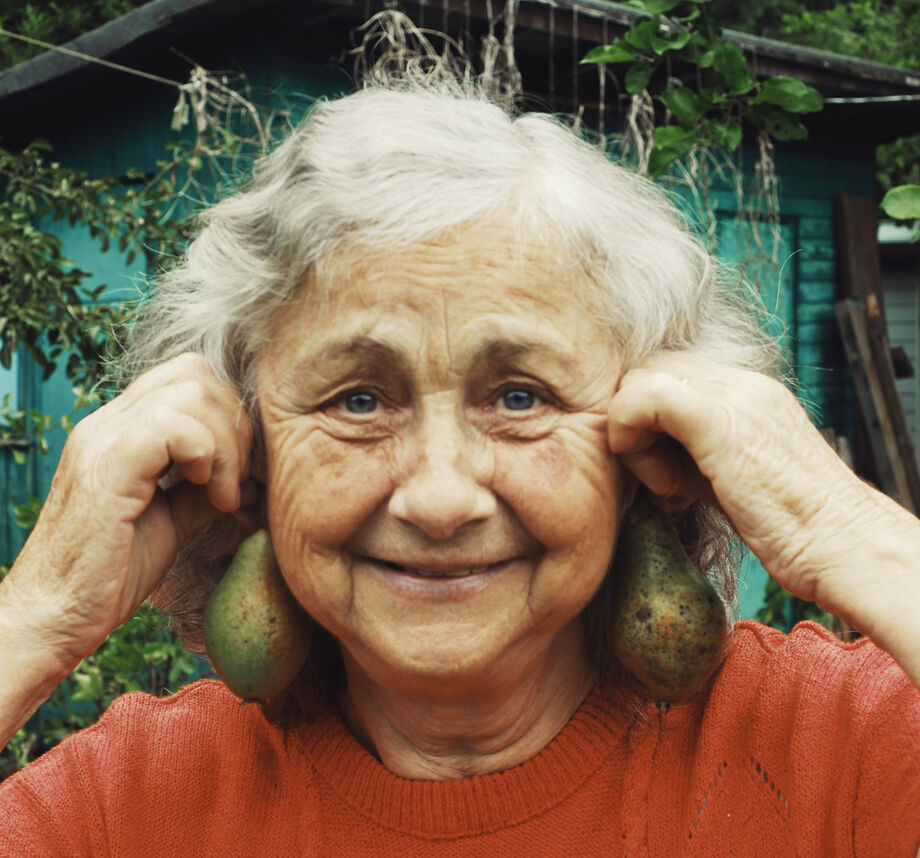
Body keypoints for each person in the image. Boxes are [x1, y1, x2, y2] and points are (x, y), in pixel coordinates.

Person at [1, 24, 919, 856]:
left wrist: (846, 532)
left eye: (518, 396)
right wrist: (36, 619)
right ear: (248, 455)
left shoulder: (833, 751)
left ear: (649, 450)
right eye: (358, 401)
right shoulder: (131, 808)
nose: (440, 499)